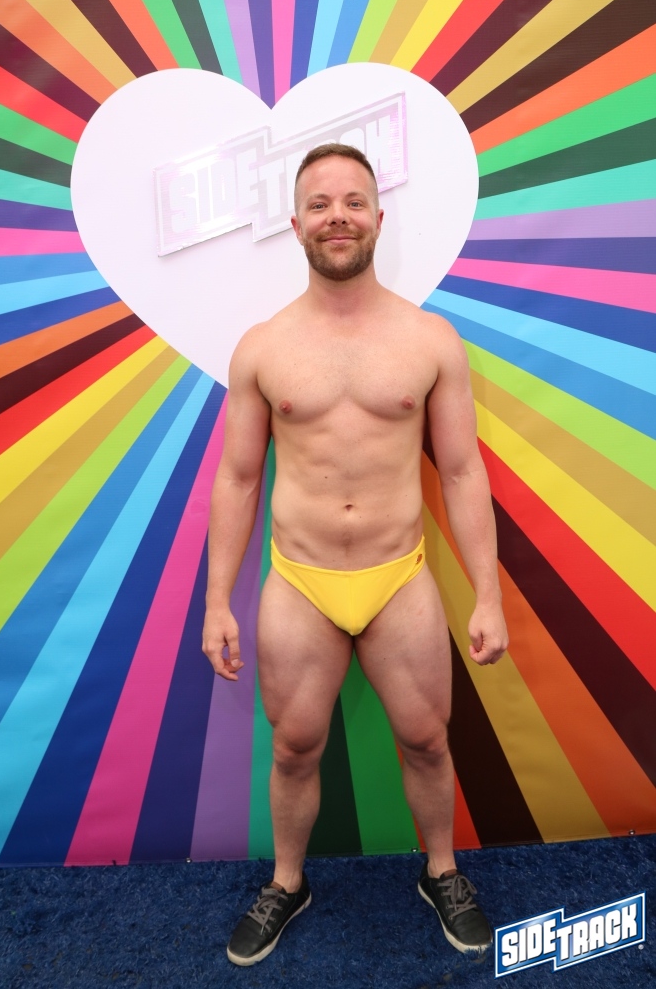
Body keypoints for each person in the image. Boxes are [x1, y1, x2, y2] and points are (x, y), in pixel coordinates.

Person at [202, 143, 508, 967]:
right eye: (320, 203)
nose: (337, 216)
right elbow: (237, 478)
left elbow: (461, 471)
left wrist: (487, 593)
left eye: (353, 201)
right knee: (294, 746)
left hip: (398, 576)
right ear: (296, 223)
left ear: (378, 216)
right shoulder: (262, 348)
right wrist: (217, 600)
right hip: (299, 581)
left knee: (428, 740)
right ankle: (287, 881)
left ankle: (441, 871)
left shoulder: (430, 340)